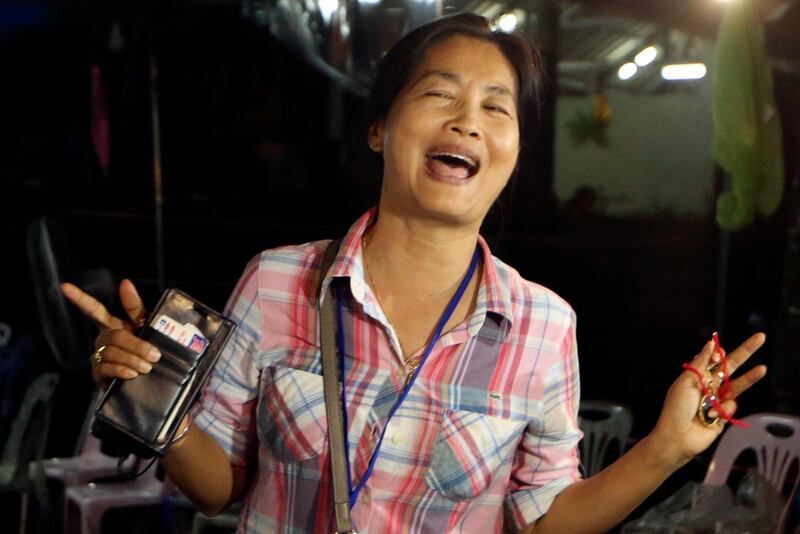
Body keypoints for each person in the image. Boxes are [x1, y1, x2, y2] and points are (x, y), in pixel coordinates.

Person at [61, 13, 768, 534]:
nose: (468, 121)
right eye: (440, 94)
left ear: (513, 151)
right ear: (379, 128)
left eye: (497, 108)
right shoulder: (277, 281)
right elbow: (219, 489)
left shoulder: (545, 325)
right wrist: (158, 401)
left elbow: (545, 521)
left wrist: (667, 448)